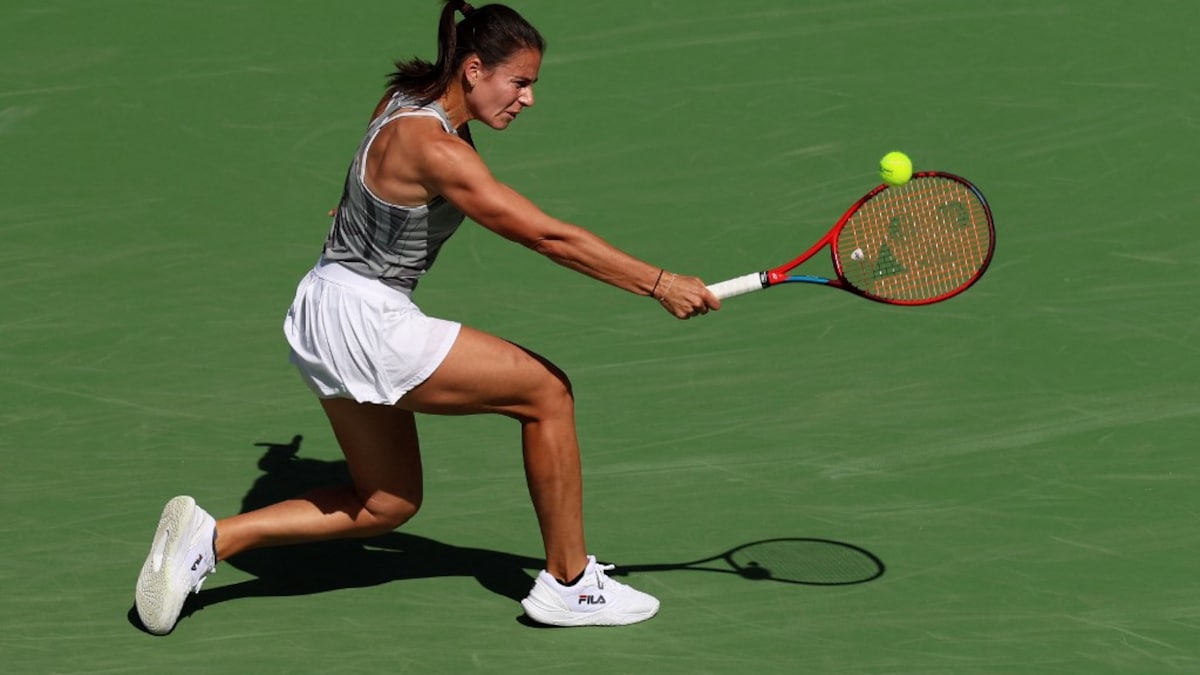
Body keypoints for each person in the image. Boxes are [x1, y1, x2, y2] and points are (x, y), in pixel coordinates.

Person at [134, 0, 719, 635]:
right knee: (546, 393)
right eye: (518, 82)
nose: (527, 100)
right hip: (367, 317)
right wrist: (658, 283)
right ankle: (570, 583)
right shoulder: (440, 151)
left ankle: (209, 539)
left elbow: (363, 183)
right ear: (473, 70)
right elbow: (547, 237)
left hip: (320, 306)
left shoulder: (402, 99)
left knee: (387, 502)